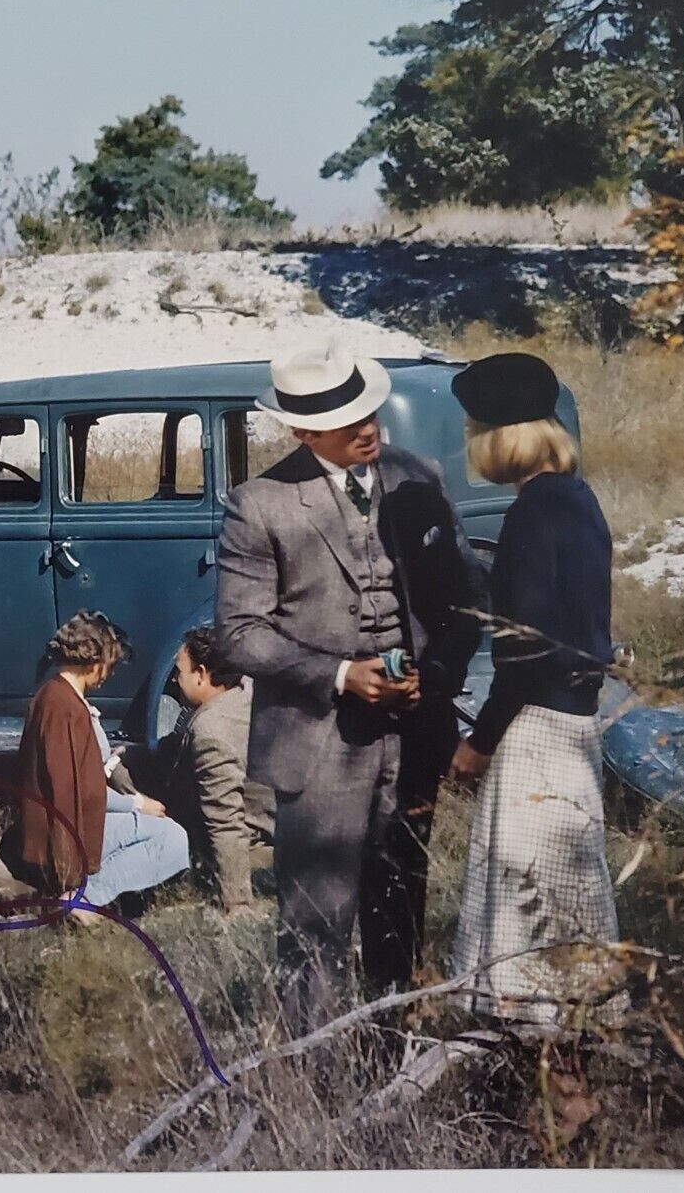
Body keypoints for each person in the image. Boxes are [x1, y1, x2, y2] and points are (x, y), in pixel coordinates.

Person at [215, 341, 486, 1033]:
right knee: (315, 928)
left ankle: (391, 1063)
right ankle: (314, 1088)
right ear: (304, 432)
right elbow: (239, 634)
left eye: (368, 410)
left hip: (415, 739)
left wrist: (440, 675)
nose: (368, 428)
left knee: (401, 915)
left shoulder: (417, 475)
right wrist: (340, 675)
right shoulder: (260, 504)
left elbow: (465, 599)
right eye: (346, 422)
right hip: (318, 746)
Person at [447, 352, 623, 1026]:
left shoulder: (531, 515)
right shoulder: (579, 500)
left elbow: (523, 653)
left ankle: (528, 1038)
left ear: (501, 437)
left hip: (537, 732)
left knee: (523, 896)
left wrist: (479, 742)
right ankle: (580, 1035)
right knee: (573, 895)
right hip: (579, 725)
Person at [2, 611, 190, 924]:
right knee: (172, 838)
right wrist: (138, 804)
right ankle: (86, 898)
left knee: (159, 833)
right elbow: (81, 792)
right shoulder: (66, 708)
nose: (109, 674)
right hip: (61, 837)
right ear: (95, 660)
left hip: (46, 833)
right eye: (110, 665)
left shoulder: (50, 696)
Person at [168, 626, 276, 916]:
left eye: (179, 672)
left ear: (201, 674)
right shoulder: (244, 690)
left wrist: (236, 901)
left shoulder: (211, 731)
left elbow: (225, 821)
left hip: (256, 838)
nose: (175, 679)